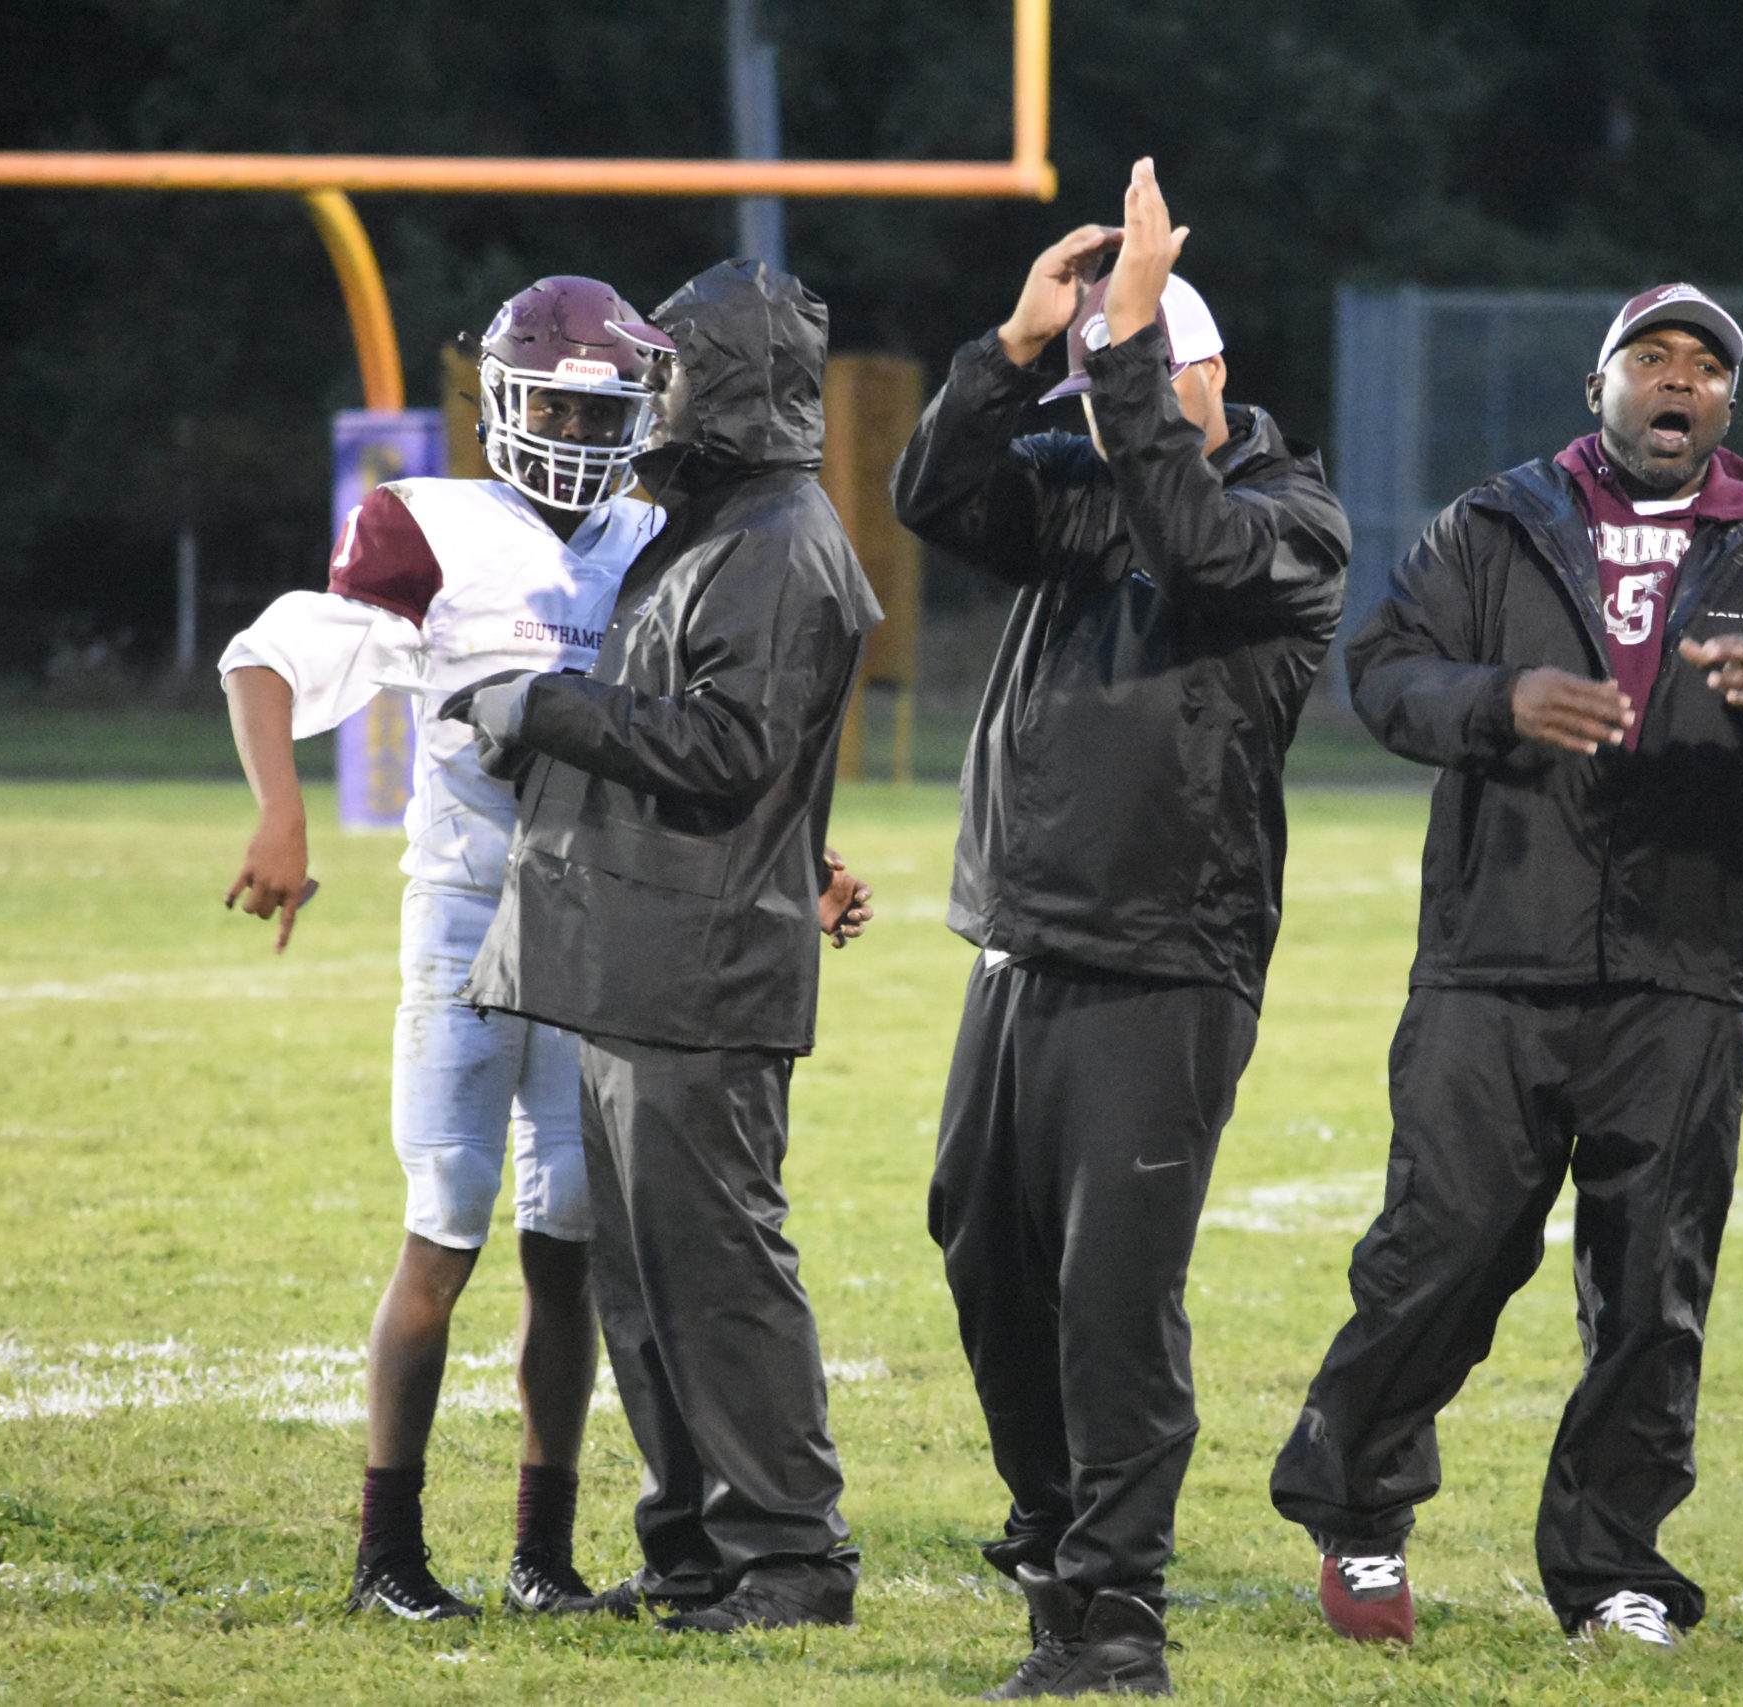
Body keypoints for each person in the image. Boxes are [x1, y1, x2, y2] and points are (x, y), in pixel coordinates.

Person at [222, 275, 872, 1624]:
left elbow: (707, 726)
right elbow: (263, 657)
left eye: (602, 402)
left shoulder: (657, 527)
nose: (580, 427)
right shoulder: (429, 521)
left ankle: (544, 1549)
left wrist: (798, 862)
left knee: (570, 1242)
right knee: (447, 1219)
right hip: (467, 915)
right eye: (556, 399)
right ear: (502, 401)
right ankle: (388, 1552)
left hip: (604, 921)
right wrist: (281, 814)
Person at [1267, 283, 1743, 1650]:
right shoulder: (1493, 524)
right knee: (1441, 1255)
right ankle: (1361, 1515)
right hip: (1493, 958)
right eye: (1652, 360)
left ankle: (1613, 1568)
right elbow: (1381, 671)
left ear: (1727, 406)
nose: (1680, 384)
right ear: (1599, 388)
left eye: (1705, 370)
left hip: (1681, 970)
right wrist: (1498, 702)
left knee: (1652, 1290)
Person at [891, 158, 1348, 1698]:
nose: (1095, 420)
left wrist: (1129, 345)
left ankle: (1114, 1624)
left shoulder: (1296, 519)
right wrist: (1019, 350)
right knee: (984, 1256)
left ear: (1199, 368)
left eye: (1130, 378)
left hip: (1168, 960)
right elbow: (935, 494)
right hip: (1024, 941)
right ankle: (1051, 1523)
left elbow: (1194, 534)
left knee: (1112, 1299)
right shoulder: (1094, 476)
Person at [445, 258, 881, 1634]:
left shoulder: (776, 539)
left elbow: (729, 752)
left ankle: (790, 1562)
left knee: (719, 1283)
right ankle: (697, 1553)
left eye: (673, 368)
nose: (649, 395)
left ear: (733, 385)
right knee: (645, 1287)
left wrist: (542, 710)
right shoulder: (716, 526)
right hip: (647, 960)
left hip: (703, 971)